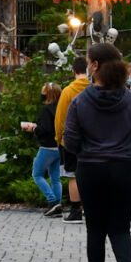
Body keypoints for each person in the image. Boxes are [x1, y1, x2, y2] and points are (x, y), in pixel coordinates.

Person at [62, 42, 131, 262]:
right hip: (124, 168)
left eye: (89, 62)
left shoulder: (80, 101)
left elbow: (70, 140)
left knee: (96, 231)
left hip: (91, 169)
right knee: (121, 227)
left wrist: (86, 151)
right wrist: (127, 151)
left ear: (96, 66)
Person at [54, 55, 90, 224]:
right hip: (93, 139)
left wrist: (58, 137)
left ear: (74, 71)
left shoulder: (68, 91)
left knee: (72, 175)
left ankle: (75, 210)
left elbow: (60, 117)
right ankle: (91, 208)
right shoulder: (93, 89)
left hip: (71, 141)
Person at [21, 82, 64, 216]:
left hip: (47, 147)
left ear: (48, 94)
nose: (41, 94)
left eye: (43, 91)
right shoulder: (61, 108)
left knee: (37, 174)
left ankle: (52, 201)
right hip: (59, 147)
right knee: (55, 178)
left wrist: (33, 128)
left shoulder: (46, 109)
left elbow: (45, 129)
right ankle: (58, 205)